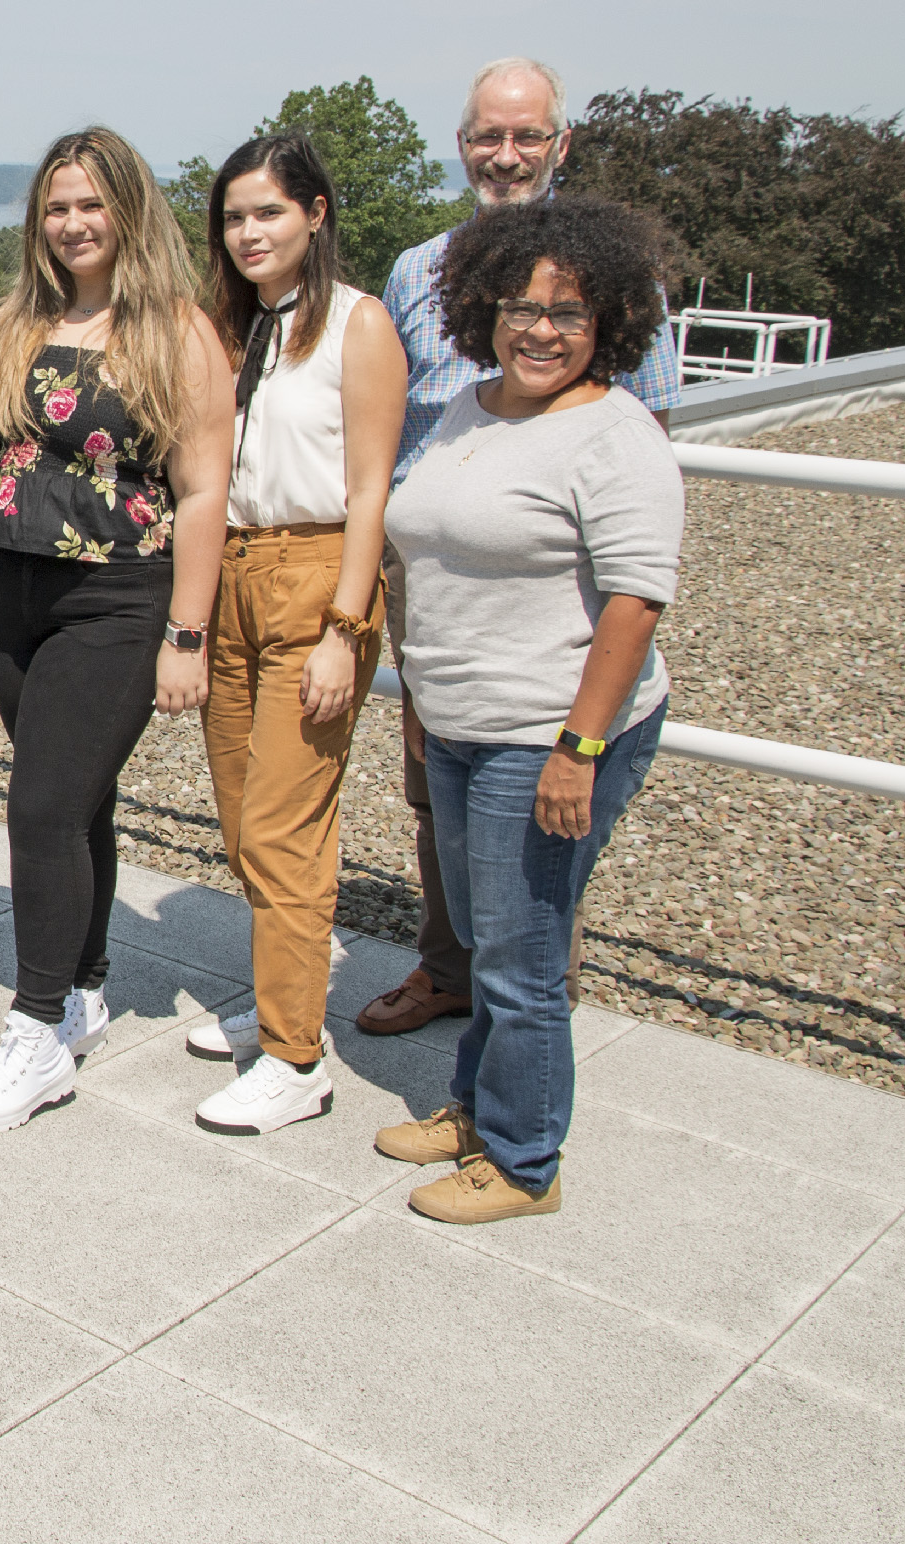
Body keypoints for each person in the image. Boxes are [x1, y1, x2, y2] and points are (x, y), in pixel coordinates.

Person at [357, 57, 681, 1040]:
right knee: (438, 796)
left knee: (538, 811)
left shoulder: (613, 277)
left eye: (526, 136)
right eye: (488, 137)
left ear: (560, 144)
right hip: (431, 585)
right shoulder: (418, 271)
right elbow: (384, 426)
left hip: (550, 592)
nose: (506, 155)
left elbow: (648, 439)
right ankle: (447, 969)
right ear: (462, 147)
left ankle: (528, 1012)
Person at [374, 196, 682, 1221]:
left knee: (520, 955)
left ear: (612, 327)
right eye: (520, 306)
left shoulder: (614, 433)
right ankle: (472, 1107)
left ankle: (523, 1163)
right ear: (481, 312)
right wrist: (423, 696)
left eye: (570, 313)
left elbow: (636, 602)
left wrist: (578, 750)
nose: (541, 330)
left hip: (545, 733)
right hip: (461, 721)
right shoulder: (475, 408)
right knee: (480, 930)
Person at [0, 129, 232, 1134]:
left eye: (91, 204)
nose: (73, 224)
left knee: (39, 806)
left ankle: (33, 1035)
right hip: (16, 588)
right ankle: (84, 986)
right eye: (57, 206)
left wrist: (186, 637)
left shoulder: (177, 332)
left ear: (128, 211)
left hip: (118, 596)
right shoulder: (20, 319)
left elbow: (201, 494)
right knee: (78, 800)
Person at [185, 134, 406, 1136]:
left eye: (268, 212)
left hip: (315, 579)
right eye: (234, 216)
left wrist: (346, 629)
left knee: (285, 824)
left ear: (316, 213)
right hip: (233, 575)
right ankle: (286, 996)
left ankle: (295, 1057)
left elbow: (370, 491)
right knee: (242, 819)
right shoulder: (242, 326)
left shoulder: (359, 326)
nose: (248, 232)